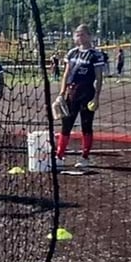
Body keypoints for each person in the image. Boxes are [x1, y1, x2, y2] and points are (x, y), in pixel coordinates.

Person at [55, 24, 108, 169]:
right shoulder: (72, 53)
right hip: (72, 92)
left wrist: (96, 97)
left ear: (89, 36)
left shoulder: (96, 55)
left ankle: (85, 157)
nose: (80, 37)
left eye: (83, 34)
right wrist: (61, 94)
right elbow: (66, 74)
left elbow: (99, 77)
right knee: (66, 124)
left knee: (86, 125)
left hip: (87, 92)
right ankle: (59, 156)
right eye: (77, 34)